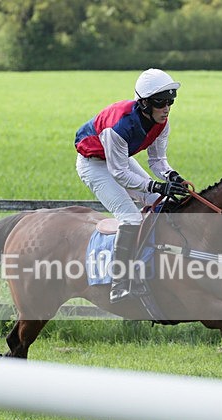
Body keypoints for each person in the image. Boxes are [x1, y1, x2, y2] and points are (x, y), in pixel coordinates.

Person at [74, 68, 190, 303]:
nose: (167, 108)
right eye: (161, 102)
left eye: (171, 101)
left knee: (161, 204)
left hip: (119, 158)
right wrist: (157, 186)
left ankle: (151, 267)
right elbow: (119, 174)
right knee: (131, 218)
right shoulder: (119, 126)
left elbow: (157, 161)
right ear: (145, 103)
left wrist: (173, 177)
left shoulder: (161, 122)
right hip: (94, 164)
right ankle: (119, 283)